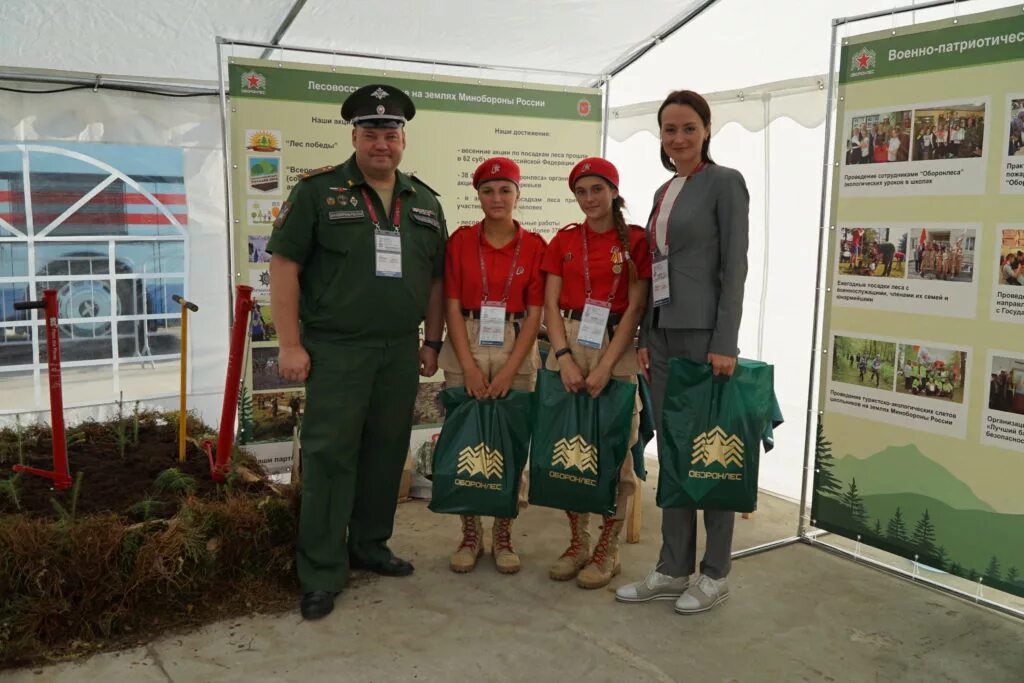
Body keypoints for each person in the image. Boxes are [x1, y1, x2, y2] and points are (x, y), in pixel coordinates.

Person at [267, 83, 448, 621]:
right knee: (329, 456)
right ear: (354, 135)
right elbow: (284, 267)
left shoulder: (424, 201)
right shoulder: (319, 193)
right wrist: (291, 343)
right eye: (371, 132)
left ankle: (369, 546)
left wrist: (431, 341)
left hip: (398, 351)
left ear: (403, 139)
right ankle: (321, 569)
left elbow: (437, 280)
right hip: (338, 349)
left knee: (386, 451)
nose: (381, 143)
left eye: (390, 133)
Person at [615, 89, 749, 614]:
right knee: (672, 450)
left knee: (710, 452)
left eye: (688, 128)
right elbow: (655, 270)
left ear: (707, 130)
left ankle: (715, 572)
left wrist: (725, 342)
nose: (678, 139)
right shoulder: (663, 190)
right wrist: (647, 335)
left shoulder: (725, 183)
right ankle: (673, 567)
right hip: (665, 332)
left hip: (704, 335)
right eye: (669, 130)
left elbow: (733, 267)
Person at [541, 156, 651, 590]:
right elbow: (549, 304)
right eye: (581, 192)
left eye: (597, 190)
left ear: (613, 191)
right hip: (568, 340)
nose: (589, 199)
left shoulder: (636, 240)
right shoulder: (566, 240)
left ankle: (609, 547)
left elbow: (637, 306)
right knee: (568, 445)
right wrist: (564, 357)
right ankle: (578, 540)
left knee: (613, 449)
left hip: (614, 344)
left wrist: (607, 365)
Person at [438, 156, 546, 575]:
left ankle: (503, 531)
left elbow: (535, 314)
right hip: (465, 339)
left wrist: (507, 370)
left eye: (505, 190)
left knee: (510, 444)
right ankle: (469, 532)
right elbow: (449, 304)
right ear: (477, 195)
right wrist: (466, 365)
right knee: (466, 440)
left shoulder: (535, 246)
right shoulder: (460, 242)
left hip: (514, 346)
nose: (496, 198)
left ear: (518, 194)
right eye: (488, 190)